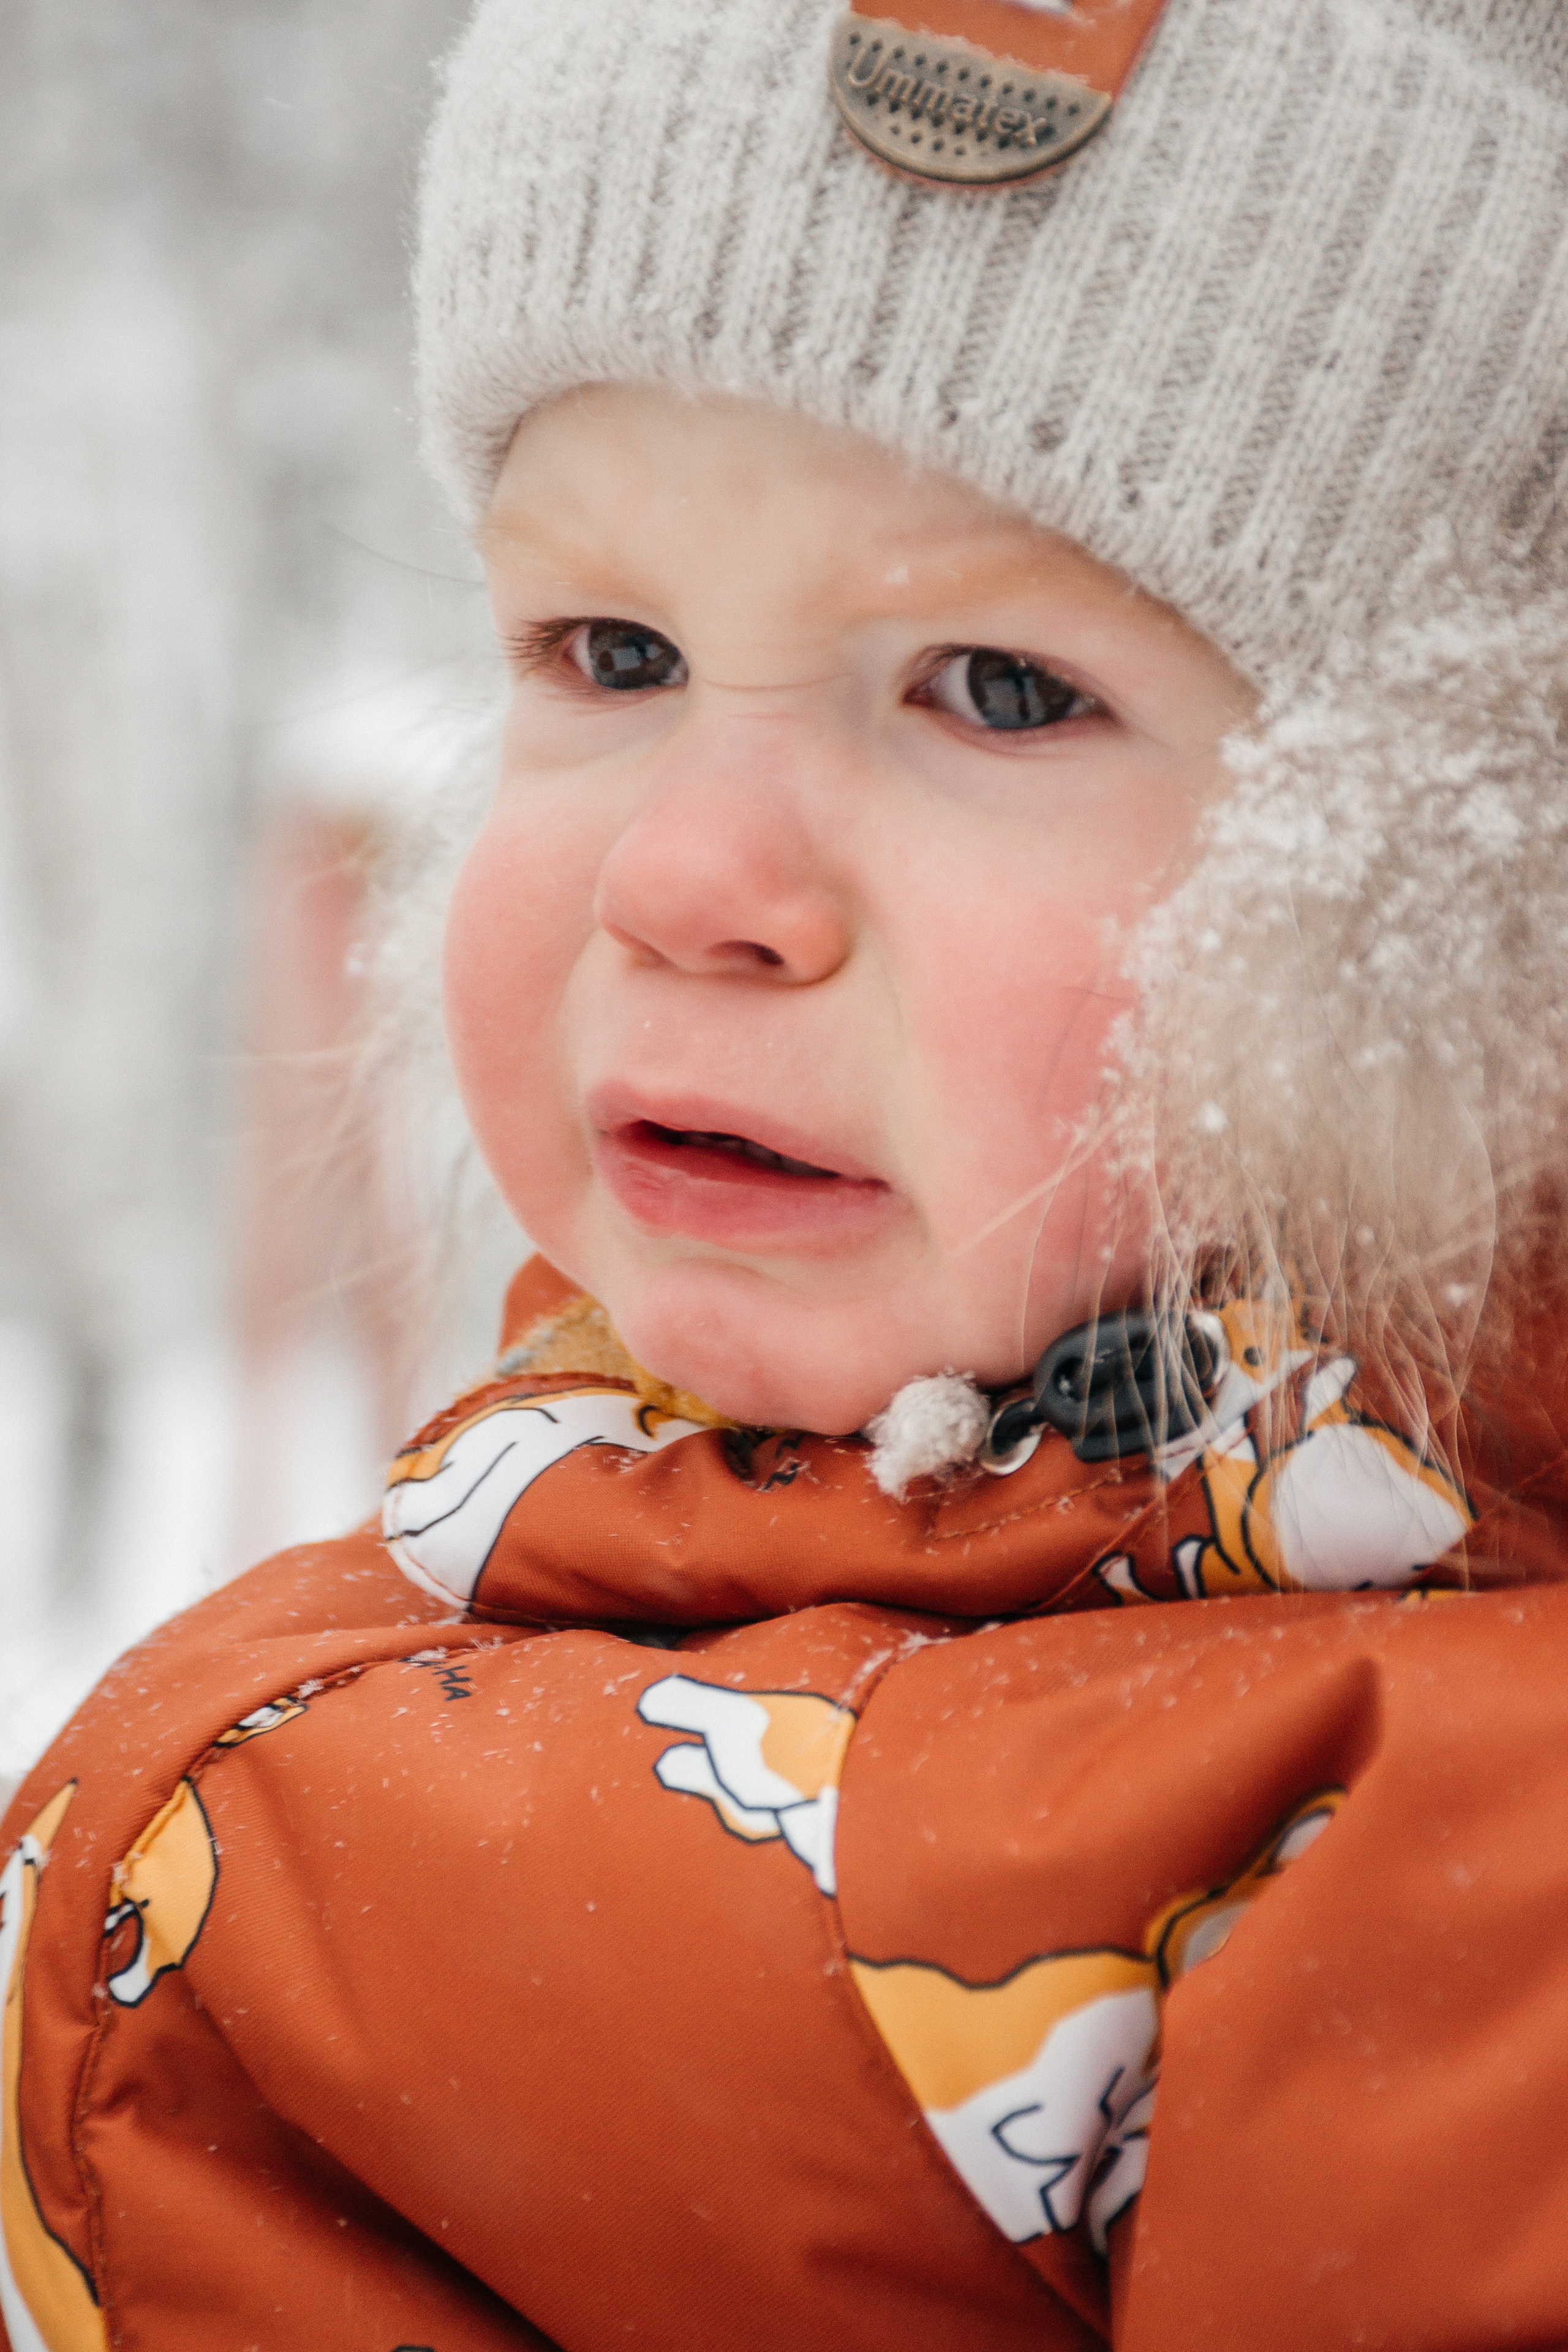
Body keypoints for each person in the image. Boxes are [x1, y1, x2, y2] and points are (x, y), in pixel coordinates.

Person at [4, 1, 1568, 2345]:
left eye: (1000, 689)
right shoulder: (594, 1525)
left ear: (1464, 896)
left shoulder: (1442, 1859)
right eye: (608, 648)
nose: (688, 872)